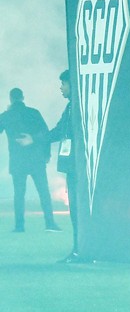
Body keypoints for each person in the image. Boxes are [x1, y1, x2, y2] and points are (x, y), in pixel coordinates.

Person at [0, 88, 60, 232]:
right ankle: (50, 223)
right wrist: (47, 155)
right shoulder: (34, 113)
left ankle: (19, 226)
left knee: (19, 194)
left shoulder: (6, 115)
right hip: (36, 159)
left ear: (11, 99)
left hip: (17, 160)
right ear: (23, 97)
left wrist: (6, 115)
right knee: (43, 192)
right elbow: (45, 134)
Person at [48, 70, 84, 261]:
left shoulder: (77, 108)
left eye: (64, 84)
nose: (61, 88)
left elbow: (59, 131)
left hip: (79, 167)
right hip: (74, 166)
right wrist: (38, 140)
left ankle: (80, 250)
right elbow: (58, 131)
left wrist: (36, 140)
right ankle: (80, 249)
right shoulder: (71, 108)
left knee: (78, 210)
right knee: (77, 209)